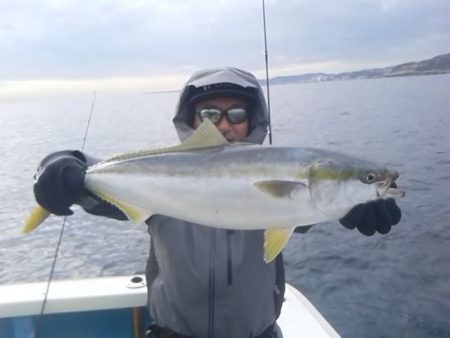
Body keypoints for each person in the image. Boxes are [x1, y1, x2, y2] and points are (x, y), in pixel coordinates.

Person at [33, 67, 401, 338]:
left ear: (252, 121)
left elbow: (312, 206)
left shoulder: (297, 203)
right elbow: (88, 178)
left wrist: (356, 204)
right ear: (193, 121)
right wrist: (61, 163)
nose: (225, 125)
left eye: (237, 114)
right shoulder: (152, 182)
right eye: (210, 114)